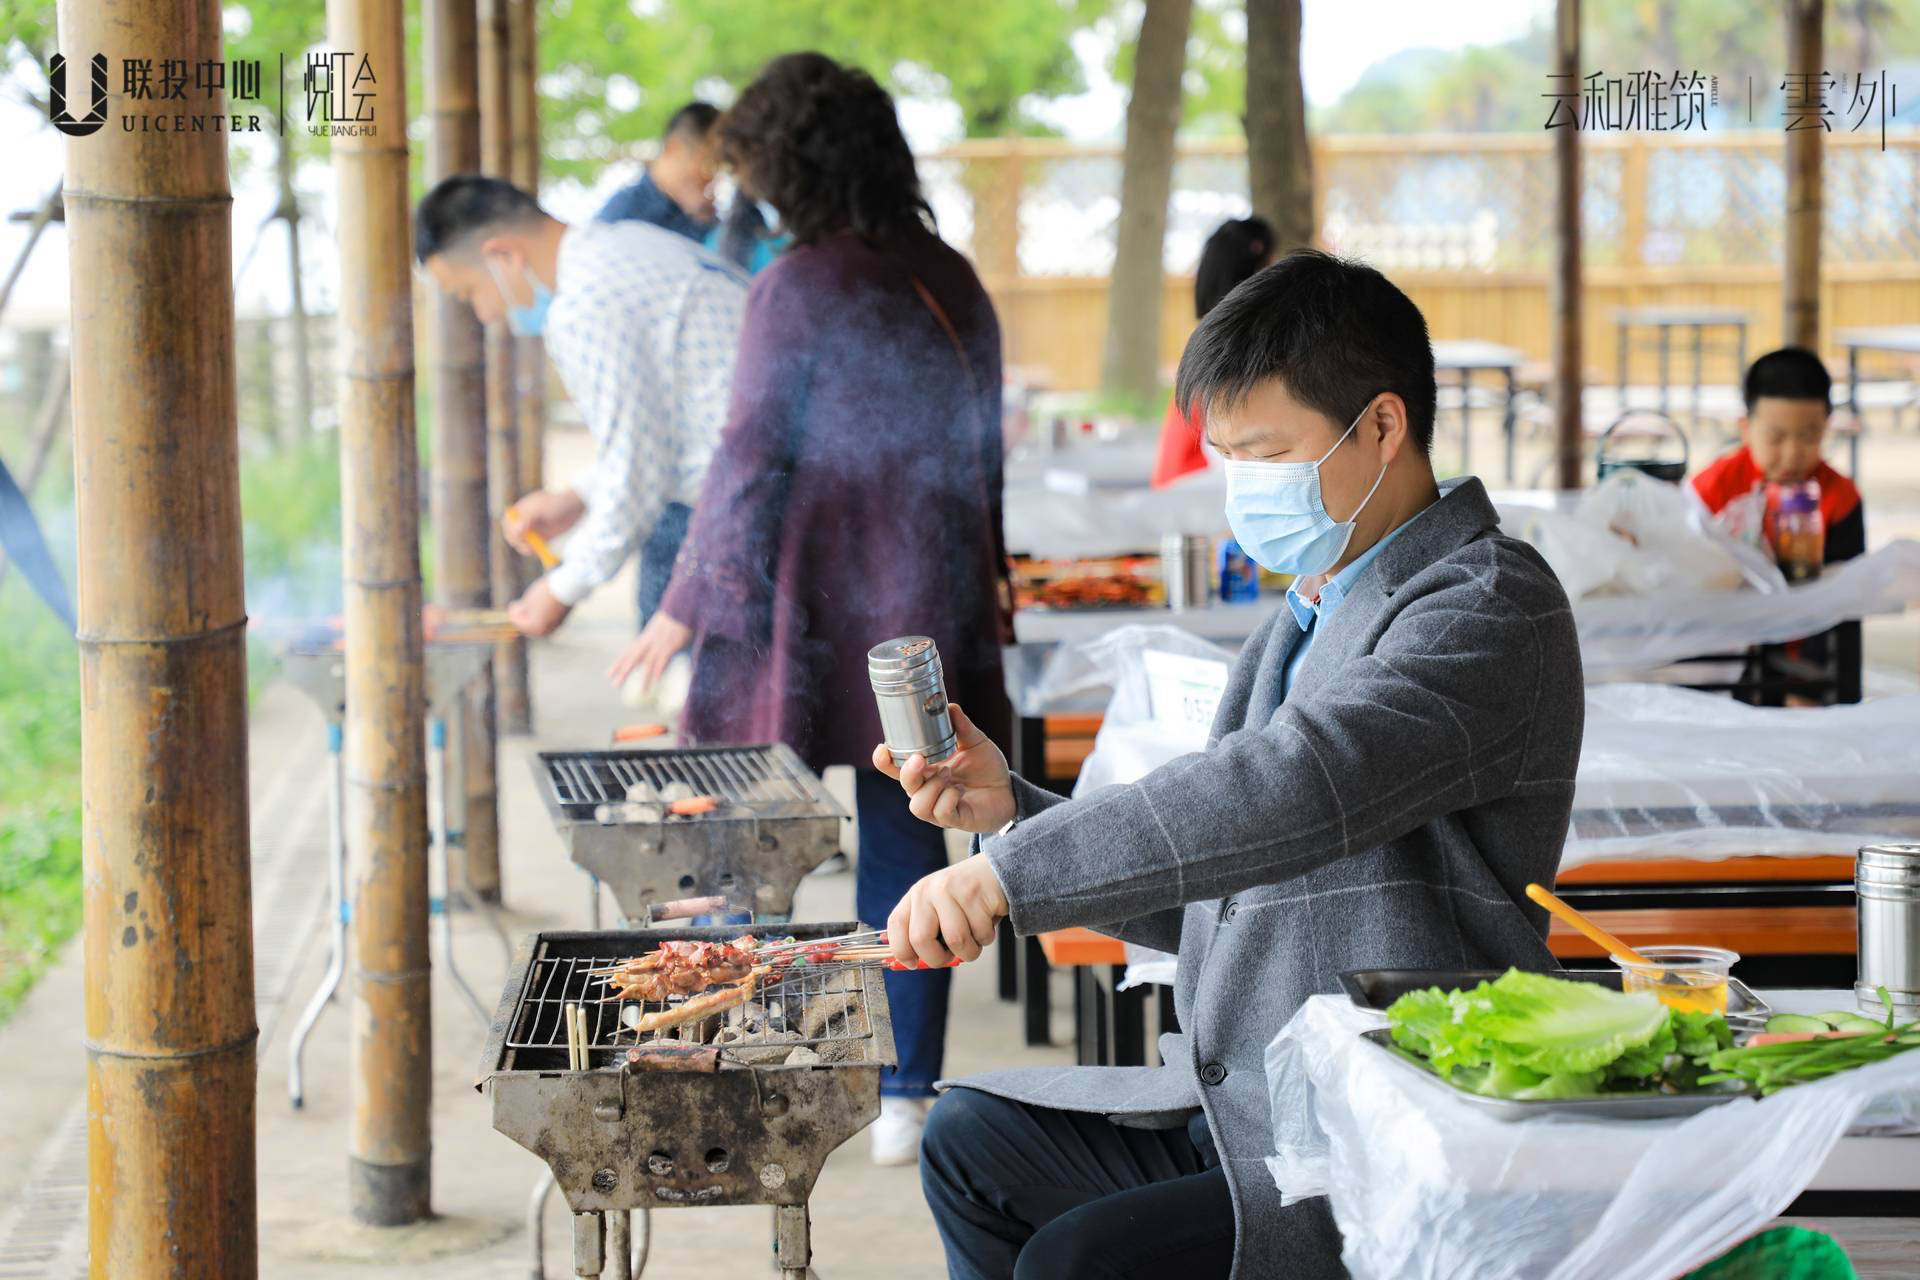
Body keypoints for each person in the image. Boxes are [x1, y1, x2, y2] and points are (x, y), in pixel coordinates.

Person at [874, 251, 1586, 1279]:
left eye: (1268, 452)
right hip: (1244, 1092)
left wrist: (1007, 876)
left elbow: (1292, 782)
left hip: (1379, 1122)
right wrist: (1014, 813)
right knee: (971, 1143)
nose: (1244, 488)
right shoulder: (1306, 610)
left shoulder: (1486, 606)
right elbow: (1227, 879)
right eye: (1229, 457)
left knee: (1079, 1260)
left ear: (1383, 426)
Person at [607, 52, 1014, 1166]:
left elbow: (749, 453)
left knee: (750, 836)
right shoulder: (949, 273)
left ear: (793, 167)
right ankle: (907, 1088)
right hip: (923, 597)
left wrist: (688, 602)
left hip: (805, 608)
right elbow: (987, 451)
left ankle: (742, 1044)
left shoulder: (799, 282)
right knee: (910, 830)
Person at [414, 174, 747, 634]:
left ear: (503, 255)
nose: (486, 314)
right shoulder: (625, 241)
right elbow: (659, 432)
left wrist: (564, 587)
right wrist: (577, 498)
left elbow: (637, 472)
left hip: (779, 500)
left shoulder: (583, 307)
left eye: (470, 293)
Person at [1691, 346, 1865, 701]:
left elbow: (1845, 609)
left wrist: (1816, 695)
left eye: (1809, 436)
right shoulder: (1713, 489)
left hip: (1808, 660)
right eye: (1776, 437)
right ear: (1745, 428)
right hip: (1726, 656)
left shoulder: (1839, 497)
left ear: (1827, 427)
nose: (1792, 454)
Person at [1151, 216, 1276, 489]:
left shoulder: (1207, 339)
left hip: (1180, 488)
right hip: (1197, 492)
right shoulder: (1237, 348)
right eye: (1272, 265)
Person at [596, 101, 720, 243]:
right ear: (673, 148)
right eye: (707, 164)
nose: (711, 177)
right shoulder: (621, 215)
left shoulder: (702, 215)